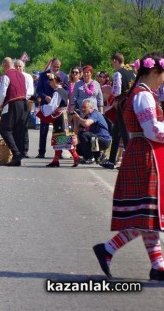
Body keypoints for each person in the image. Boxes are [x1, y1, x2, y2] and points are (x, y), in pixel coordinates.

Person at [93, 52, 164, 281]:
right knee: (145, 214)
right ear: (154, 72)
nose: (163, 80)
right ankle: (109, 249)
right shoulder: (143, 96)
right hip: (145, 155)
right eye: (162, 75)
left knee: (146, 215)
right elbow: (151, 129)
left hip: (141, 153)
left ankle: (157, 266)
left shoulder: (142, 93)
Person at [101, 53, 136, 170]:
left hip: (122, 103)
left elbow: (116, 90)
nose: (112, 64)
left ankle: (130, 161)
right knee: (116, 131)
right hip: (131, 101)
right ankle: (111, 161)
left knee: (124, 132)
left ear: (115, 61)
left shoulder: (118, 73)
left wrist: (115, 100)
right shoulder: (132, 71)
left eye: (112, 62)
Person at [38, 74, 79, 167]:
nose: (49, 83)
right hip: (64, 116)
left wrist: (43, 108)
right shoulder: (62, 91)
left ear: (54, 81)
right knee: (60, 137)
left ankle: (76, 157)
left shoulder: (57, 92)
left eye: (51, 81)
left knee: (63, 137)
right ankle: (56, 160)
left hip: (60, 117)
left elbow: (53, 106)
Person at [0, 57, 28, 166]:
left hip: (12, 103)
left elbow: (2, 93)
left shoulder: (6, 75)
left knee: (5, 129)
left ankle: (16, 153)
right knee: (18, 131)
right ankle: (17, 158)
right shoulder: (22, 75)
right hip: (23, 104)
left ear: (5, 64)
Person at [36, 58, 68, 158]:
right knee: (43, 130)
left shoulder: (63, 76)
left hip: (58, 107)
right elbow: (38, 90)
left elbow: (67, 90)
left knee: (59, 130)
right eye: (54, 66)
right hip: (46, 106)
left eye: (58, 67)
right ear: (51, 65)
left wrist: (59, 93)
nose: (56, 68)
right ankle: (41, 152)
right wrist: (45, 96)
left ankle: (60, 152)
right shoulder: (43, 75)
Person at [71, 99, 111, 164]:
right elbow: (76, 132)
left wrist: (78, 118)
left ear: (91, 108)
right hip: (95, 140)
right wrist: (75, 120)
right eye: (82, 107)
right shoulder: (87, 116)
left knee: (83, 134)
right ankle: (99, 155)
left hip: (104, 140)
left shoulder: (95, 114)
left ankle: (89, 158)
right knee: (79, 148)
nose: (82, 109)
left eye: (85, 107)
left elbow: (86, 124)